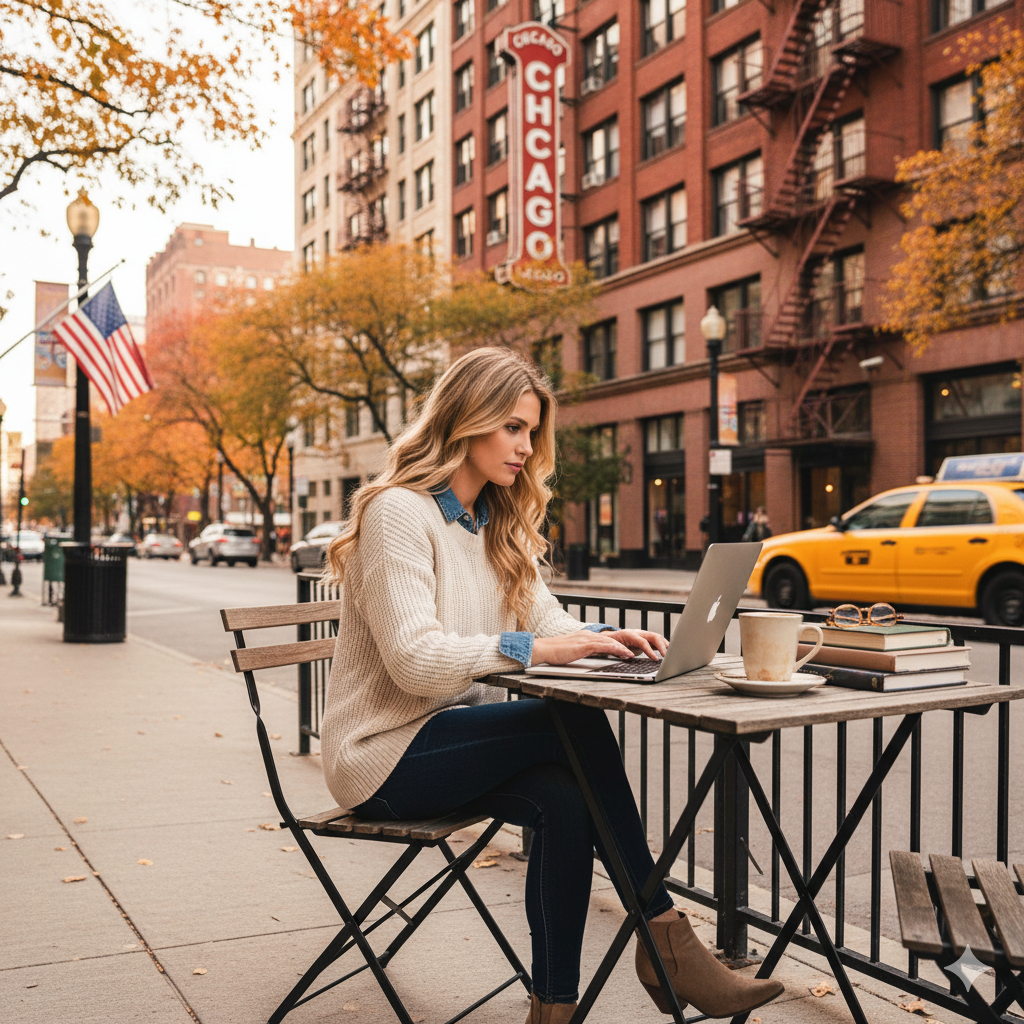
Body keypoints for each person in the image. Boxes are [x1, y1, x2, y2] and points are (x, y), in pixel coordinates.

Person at [321, 348, 784, 1023]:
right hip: (380, 756)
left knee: (565, 802)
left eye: (532, 431)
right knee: (564, 721)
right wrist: (536, 649)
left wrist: (602, 636)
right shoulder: (400, 513)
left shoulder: (496, 523)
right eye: (512, 427)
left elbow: (547, 617)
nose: (526, 446)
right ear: (465, 419)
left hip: (451, 744)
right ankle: (666, 941)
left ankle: (555, 1011)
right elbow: (414, 662)